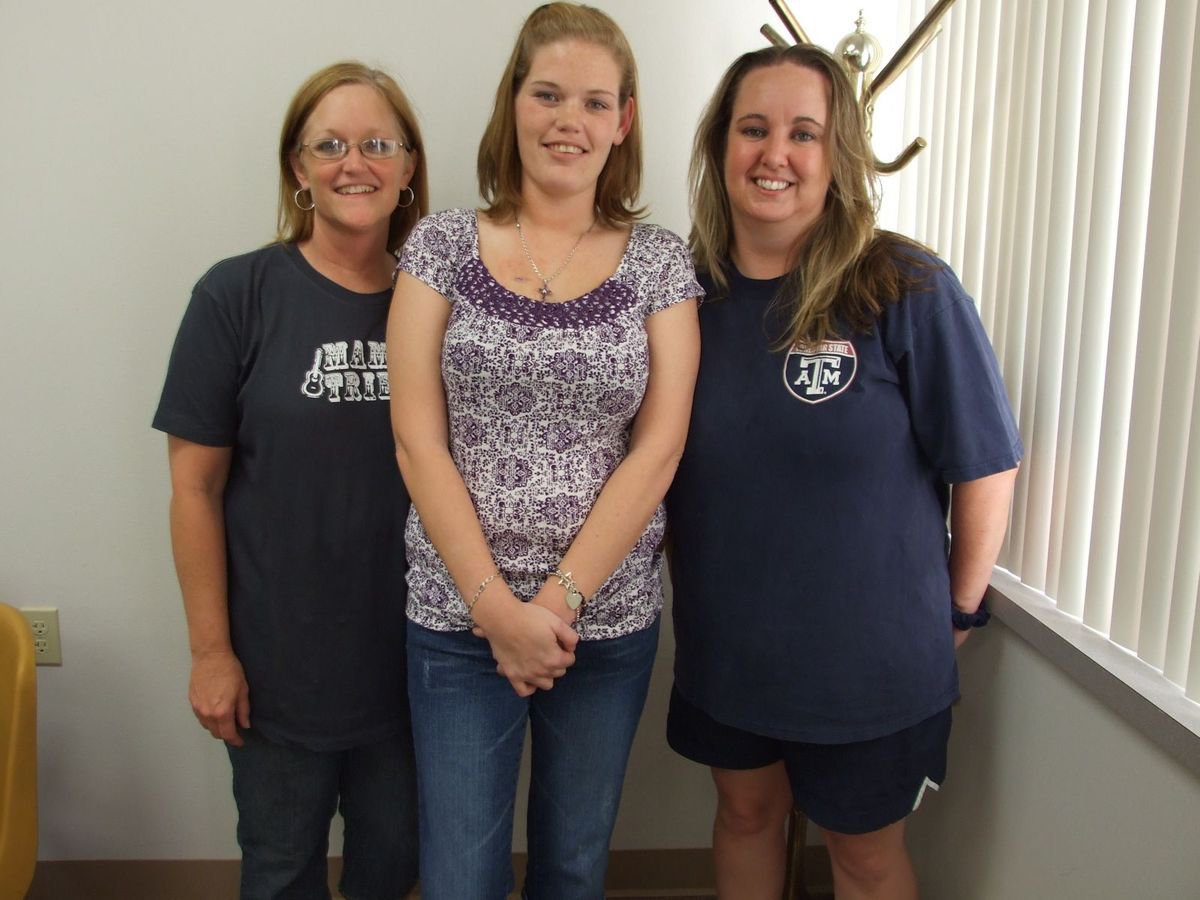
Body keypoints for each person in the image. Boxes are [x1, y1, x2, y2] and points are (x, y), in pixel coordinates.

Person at [665, 44, 1022, 900]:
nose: (774, 155)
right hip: (731, 651)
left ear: (839, 156)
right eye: (753, 129)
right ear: (720, 147)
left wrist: (962, 608)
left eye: (803, 133)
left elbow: (984, 461)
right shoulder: (683, 293)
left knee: (861, 858)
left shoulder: (904, 285)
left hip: (871, 664)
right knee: (745, 817)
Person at [386, 4, 701, 898]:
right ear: (513, 103)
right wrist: (497, 611)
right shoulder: (441, 247)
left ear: (623, 121)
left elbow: (660, 445)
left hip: (605, 624)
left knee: (571, 867)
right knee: (459, 877)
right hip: (457, 624)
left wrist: (555, 604)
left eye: (595, 102)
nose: (570, 120)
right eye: (548, 94)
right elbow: (418, 440)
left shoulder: (660, 263)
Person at [154, 61, 427, 900]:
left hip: (418, 664)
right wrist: (211, 654)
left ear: (409, 166)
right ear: (298, 169)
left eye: (378, 143)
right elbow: (193, 491)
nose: (356, 163)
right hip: (277, 672)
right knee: (279, 874)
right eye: (331, 145)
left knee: (395, 871)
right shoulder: (236, 294)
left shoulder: (441, 304)